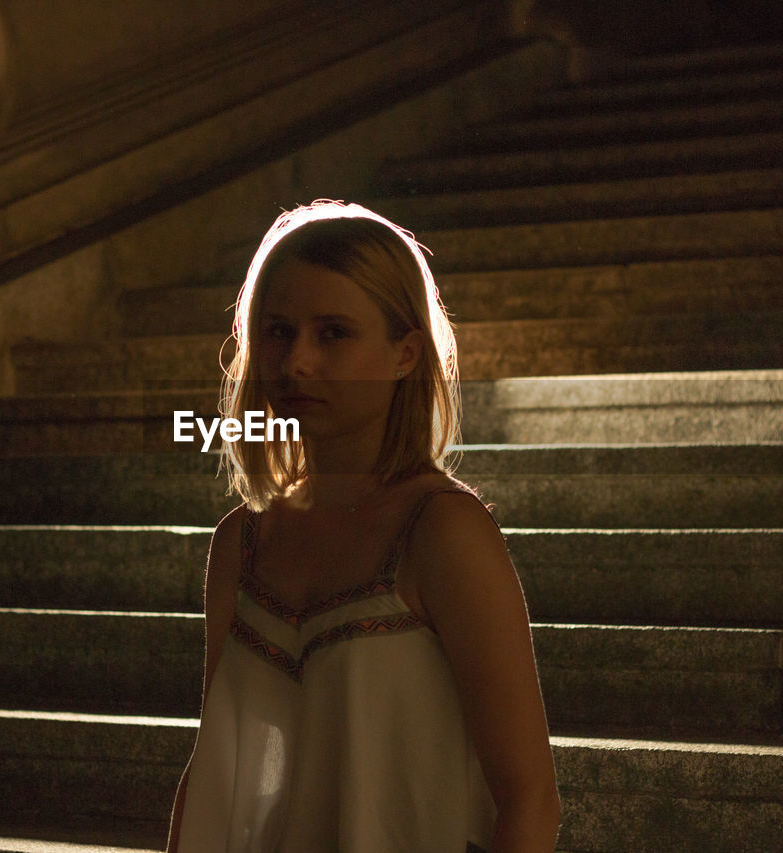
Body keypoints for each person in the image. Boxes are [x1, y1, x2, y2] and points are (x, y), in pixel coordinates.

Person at [167, 200, 560, 852]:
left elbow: (529, 799)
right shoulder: (241, 540)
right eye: (278, 330)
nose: (296, 361)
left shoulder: (444, 533)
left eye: (332, 333)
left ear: (405, 353)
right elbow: (216, 769)